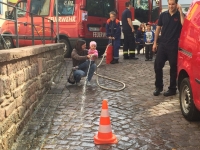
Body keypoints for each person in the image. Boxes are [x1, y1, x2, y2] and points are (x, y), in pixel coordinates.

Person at [152, 0, 184, 96]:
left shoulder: (179, 15)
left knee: (173, 68)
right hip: (162, 44)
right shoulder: (163, 15)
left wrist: (181, 11)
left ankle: (172, 89)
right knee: (157, 66)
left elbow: (184, 24)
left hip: (173, 45)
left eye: (173, 4)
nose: (171, 6)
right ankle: (159, 87)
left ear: (176, 4)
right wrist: (154, 43)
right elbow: (158, 28)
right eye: (169, 4)